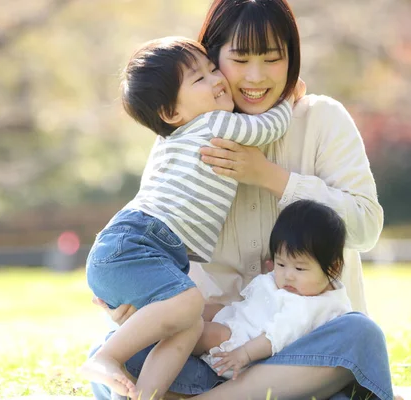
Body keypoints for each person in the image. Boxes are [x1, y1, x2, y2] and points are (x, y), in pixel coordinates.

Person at [90, 0, 394, 399]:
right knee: (110, 353)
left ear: (292, 59)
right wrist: (135, 307)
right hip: (213, 349)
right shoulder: (183, 138)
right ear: (211, 58)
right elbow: (158, 251)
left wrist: (271, 177)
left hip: (302, 347)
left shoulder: (322, 119)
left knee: (359, 335)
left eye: (272, 59)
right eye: (239, 58)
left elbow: (366, 227)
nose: (256, 77)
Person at [81, 36, 299, 400]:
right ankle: (107, 356)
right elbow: (266, 128)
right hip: (139, 240)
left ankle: (146, 394)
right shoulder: (214, 123)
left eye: (213, 69)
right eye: (199, 79)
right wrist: (288, 99)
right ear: (170, 113)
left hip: (127, 245)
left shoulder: (173, 140)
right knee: (189, 305)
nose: (216, 80)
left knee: (187, 323)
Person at [196, 200, 352, 381]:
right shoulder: (303, 286)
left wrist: (244, 354)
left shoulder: (310, 307)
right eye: (281, 263)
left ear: (333, 268)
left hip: (245, 348)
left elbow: (275, 337)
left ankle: (170, 345)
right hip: (240, 321)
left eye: (300, 269)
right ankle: (169, 325)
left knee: (203, 332)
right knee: (204, 308)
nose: (288, 275)